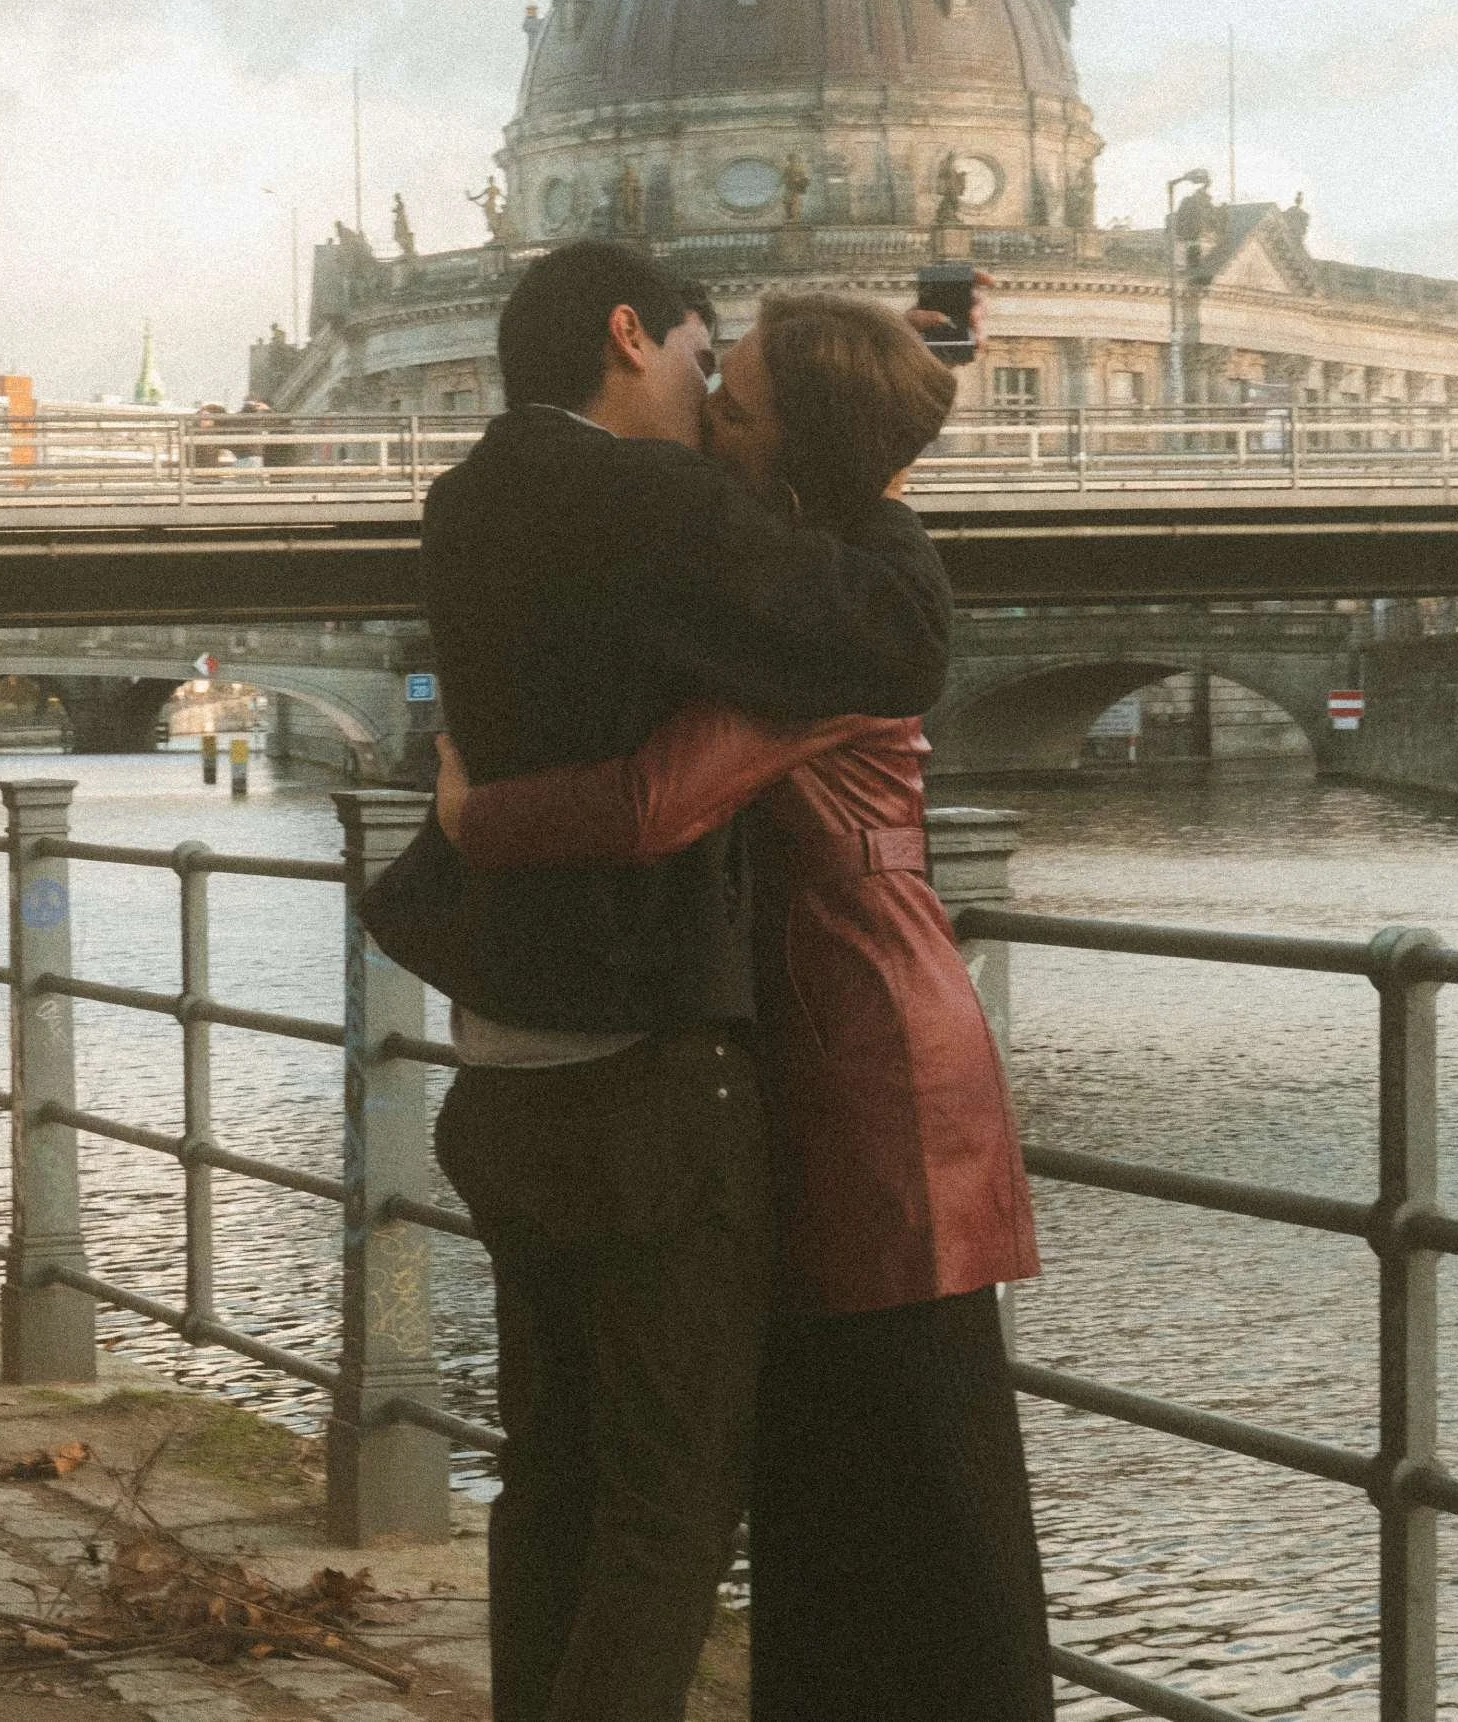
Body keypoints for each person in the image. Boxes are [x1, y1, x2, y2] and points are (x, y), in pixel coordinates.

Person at [435, 293, 1051, 1722]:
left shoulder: (827, 626)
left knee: (907, 1434)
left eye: (742, 402)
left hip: (866, 1044)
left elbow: (663, 795)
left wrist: (474, 817)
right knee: (849, 1439)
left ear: (800, 446)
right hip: (835, 1022)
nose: (712, 415)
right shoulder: (800, 585)